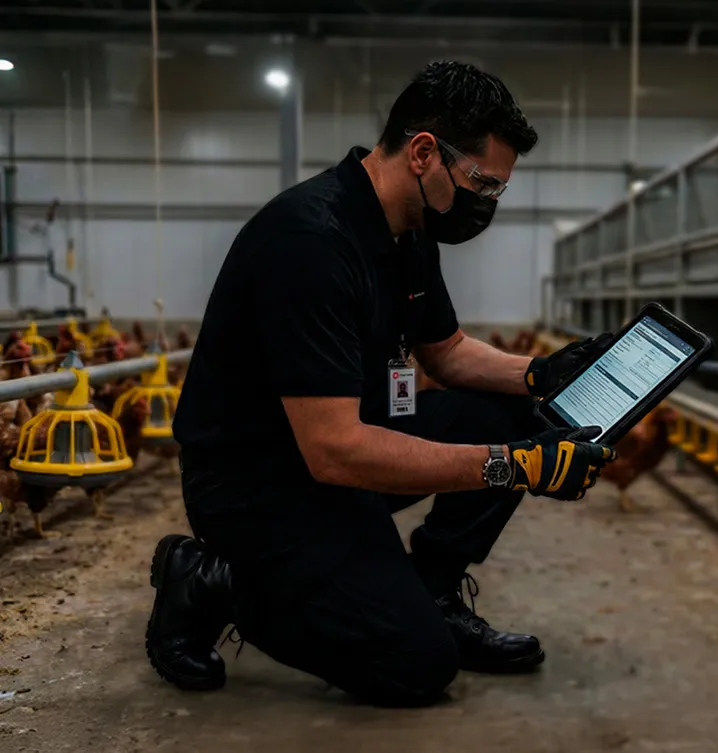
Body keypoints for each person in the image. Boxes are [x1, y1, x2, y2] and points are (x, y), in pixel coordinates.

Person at [145, 61, 617, 708]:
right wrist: (514, 466)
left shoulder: (409, 231)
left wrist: (539, 374)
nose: (486, 203)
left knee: (514, 411)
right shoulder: (309, 243)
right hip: (257, 485)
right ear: (423, 153)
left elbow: (448, 353)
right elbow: (333, 450)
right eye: (482, 183)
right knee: (414, 664)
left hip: (339, 450)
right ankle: (211, 579)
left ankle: (432, 590)